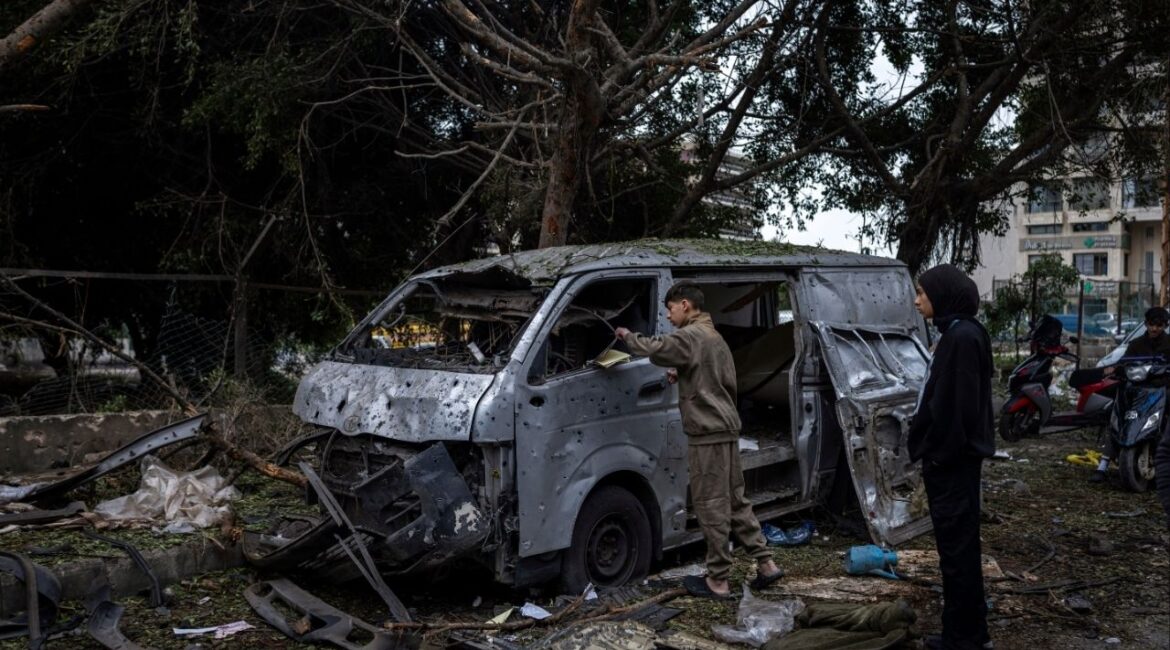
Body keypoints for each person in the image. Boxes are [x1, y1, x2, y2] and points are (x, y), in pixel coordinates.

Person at [614, 281, 783, 600]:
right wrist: (683, 374)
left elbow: (657, 348)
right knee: (735, 500)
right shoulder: (713, 337)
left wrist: (627, 337)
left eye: (670, 309)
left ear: (685, 305)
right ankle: (766, 564)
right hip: (726, 428)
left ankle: (718, 580)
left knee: (710, 504)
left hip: (707, 434)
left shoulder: (690, 335)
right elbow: (714, 375)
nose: (668, 316)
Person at [909, 264, 995, 650]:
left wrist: (939, 457)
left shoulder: (961, 337)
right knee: (959, 552)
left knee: (957, 554)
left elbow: (957, 409)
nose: (917, 301)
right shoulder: (960, 333)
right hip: (954, 462)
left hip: (953, 465)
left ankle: (963, 639)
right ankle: (966, 634)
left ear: (942, 295)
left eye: (922, 293)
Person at [1092, 306, 1170, 482]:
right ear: (1146, 324)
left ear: (1165, 326)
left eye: (1159, 325)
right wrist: (1115, 369)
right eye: (1151, 324)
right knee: (1114, 414)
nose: (1154, 328)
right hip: (1136, 390)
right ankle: (1103, 464)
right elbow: (1122, 363)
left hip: (1162, 388)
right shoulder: (1136, 344)